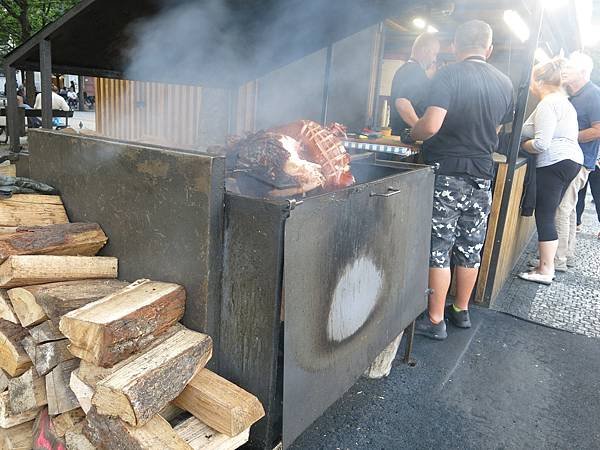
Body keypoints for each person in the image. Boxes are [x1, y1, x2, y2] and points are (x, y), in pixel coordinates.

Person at [411, 20, 514, 340]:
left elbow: (430, 126)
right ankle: (461, 310)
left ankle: (435, 318)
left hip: (447, 174)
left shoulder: (448, 75)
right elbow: (497, 129)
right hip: (482, 175)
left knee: (438, 248)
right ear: (489, 48)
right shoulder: (505, 83)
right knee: (470, 246)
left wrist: (412, 134)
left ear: (455, 46)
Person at [519, 59, 584, 285]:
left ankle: (546, 270)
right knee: (550, 212)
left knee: (545, 214)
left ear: (539, 81)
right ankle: (545, 264)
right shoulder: (564, 102)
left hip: (554, 162)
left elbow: (541, 144)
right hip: (570, 160)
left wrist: (521, 146)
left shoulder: (549, 103)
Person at [563, 52, 600, 241]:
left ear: (583, 72)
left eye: (570, 67)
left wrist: (568, 137)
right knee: (569, 210)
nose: (565, 70)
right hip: (573, 160)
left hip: (581, 160)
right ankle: (563, 255)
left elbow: (598, 129)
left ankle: (556, 260)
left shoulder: (594, 94)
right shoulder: (574, 95)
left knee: (562, 210)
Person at [389, 33, 440, 138]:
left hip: (403, 138)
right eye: (434, 54)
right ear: (426, 50)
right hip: (408, 142)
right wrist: (421, 130)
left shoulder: (405, 70)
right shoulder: (414, 71)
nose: (434, 59)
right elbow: (402, 103)